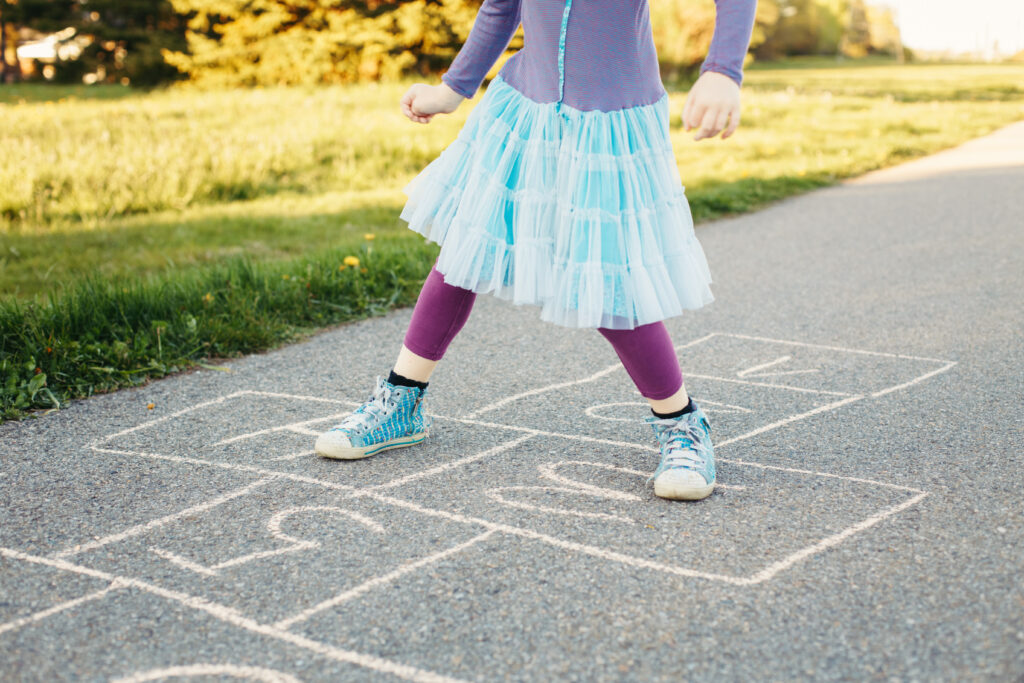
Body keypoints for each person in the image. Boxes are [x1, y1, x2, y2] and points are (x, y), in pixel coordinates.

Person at [315, 0, 757, 501]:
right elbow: (501, 8)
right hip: (524, 110)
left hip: (608, 124)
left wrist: (723, 71)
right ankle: (401, 402)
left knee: (607, 278)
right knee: (465, 255)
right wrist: (451, 90)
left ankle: (681, 424)